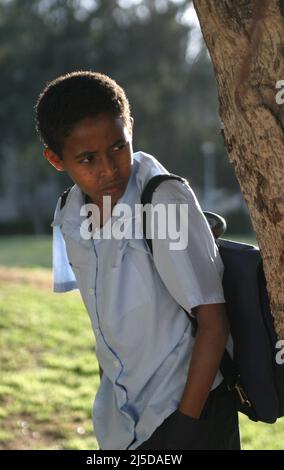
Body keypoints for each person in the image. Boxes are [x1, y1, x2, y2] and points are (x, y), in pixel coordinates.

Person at [34, 71, 240, 450]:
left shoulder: (163, 201)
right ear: (55, 160)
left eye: (118, 146)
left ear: (130, 128)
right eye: (87, 158)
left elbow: (214, 322)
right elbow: (103, 323)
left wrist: (185, 426)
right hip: (120, 427)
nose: (109, 168)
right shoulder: (69, 216)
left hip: (189, 416)